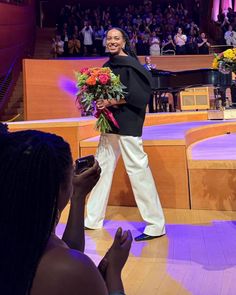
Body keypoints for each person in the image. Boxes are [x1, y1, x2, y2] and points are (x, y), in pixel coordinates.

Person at [0, 125, 132, 295]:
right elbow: (67, 263)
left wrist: (78, 197)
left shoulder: (20, 232)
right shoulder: (72, 271)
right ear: (60, 189)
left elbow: (66, 252)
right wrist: (113, 273)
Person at [84, 27, 166, 242]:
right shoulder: (106, 67)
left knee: (138, 171)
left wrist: (111, 101)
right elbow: (103, 93)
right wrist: (100, 102)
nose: (112, 41)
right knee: (100, 170)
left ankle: (156, 224)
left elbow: (138, 95)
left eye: (116, 38)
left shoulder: (131, 64)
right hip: (109, 124)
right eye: (109, 38)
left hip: (128, 123)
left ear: (123, 42)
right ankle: (92, 219)